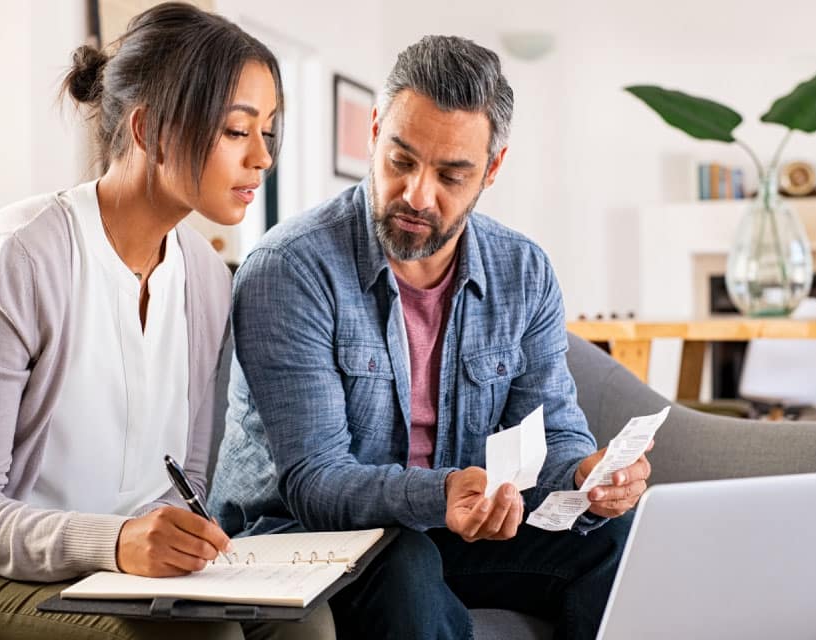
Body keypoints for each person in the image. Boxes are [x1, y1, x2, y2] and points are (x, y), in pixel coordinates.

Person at [0, 4, 332, 639]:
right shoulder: (14, 258)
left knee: (301, 624)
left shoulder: (206, 279)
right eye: (235, 131)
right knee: (197, 635)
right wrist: (116, 542)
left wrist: (182, 546)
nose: (262, 159)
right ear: (148, 130)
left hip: (115, 573)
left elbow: (185, 479)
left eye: (268, 133)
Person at [208, 35, 652, 640]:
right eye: (401, 161)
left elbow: (553, 430)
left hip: (447, 527)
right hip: (296, 539)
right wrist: (442, 493)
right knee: (406, 559)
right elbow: (315, 482)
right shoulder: (290, 269)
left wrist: (585, 477)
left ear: (491, 170)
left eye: (450, 174)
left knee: (614, 540)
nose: (417, 194)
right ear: (373, 132)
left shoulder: (523, 271)